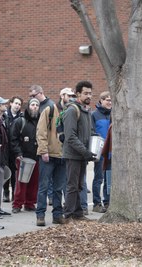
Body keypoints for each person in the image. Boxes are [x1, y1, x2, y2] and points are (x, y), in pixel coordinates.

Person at [63, 80, 96, 220]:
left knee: (79, 185)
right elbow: (70, 137)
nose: (89, 96)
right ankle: (68, 215)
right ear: (78, 94)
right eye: (85, 93)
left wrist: (97, 141)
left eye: (90, 93)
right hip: (73, 155)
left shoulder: (87, 110)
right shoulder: (72, 110)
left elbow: (89, 133)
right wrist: (85, 152)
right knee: (72, 186)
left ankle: (78, 213)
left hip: (83, 155)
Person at [35, 94, 67, 226]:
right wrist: (43, 151)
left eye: (72, 95)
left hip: (63, 155)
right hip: (48, 155)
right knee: (43, 187)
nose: (70, 97)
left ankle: (57, 215)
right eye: (68, 95)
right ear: (62, 96)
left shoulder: (70, 112)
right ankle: (40, 215)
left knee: (58, 188)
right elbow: (40, 131)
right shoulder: (50, 110)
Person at [11, 98, 40, 214]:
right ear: (28, 106)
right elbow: (14, 139)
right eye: (32, 104)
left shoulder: (41, 121)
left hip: (37, 156)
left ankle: (30, 203)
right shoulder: (20, 121)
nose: (35, 107)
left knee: (34, 182)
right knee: (21, 182)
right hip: (23, 157)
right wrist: (18, 153)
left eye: (37, 105)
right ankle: (17, 204)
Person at [29, 85, 55, 206]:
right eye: (31, 97)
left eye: (34, 96)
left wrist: (45, 148)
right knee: (42, 179)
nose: (32, 99)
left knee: (47, 179)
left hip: (48, 146)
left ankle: (50, 198)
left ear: (41, 93)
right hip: (38, 145)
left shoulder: (50, 106)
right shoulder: (37, 107)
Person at [91, 91, 111, 212]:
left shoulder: (114, 114)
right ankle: (96, 203)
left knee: (109, 178)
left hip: (111, 151)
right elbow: (92, 132)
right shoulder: (94, 115)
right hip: (99, 151)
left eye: (111, 100)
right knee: (98, 178)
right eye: (107, 100)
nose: (110, 102)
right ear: (101, 101)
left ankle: (107, 201)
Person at [3, 96, 24, 203]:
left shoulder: (21, 117)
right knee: (6, 170)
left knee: (15, 171)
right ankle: (6, 192)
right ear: (10, 103)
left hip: (16, 147)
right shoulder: (4, 116)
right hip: (6, 148)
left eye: (19, 104)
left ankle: (14, 193)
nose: (17, 106)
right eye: (16, 103)